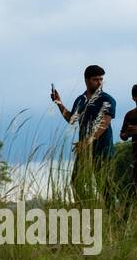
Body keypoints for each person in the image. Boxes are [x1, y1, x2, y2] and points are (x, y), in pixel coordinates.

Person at [50, 65, 117, 202]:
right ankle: (82, 211)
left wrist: (87, 141)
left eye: (101, 79)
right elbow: (71, 119)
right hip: (84, 151)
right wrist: (58, 102)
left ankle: (115, 217)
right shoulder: (80, 100)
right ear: (86, 80)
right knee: (76, 182)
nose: (99, 82)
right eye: (95, 79)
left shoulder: (107, 99)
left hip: (102, 150)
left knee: (104, 186)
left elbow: (104, 123)